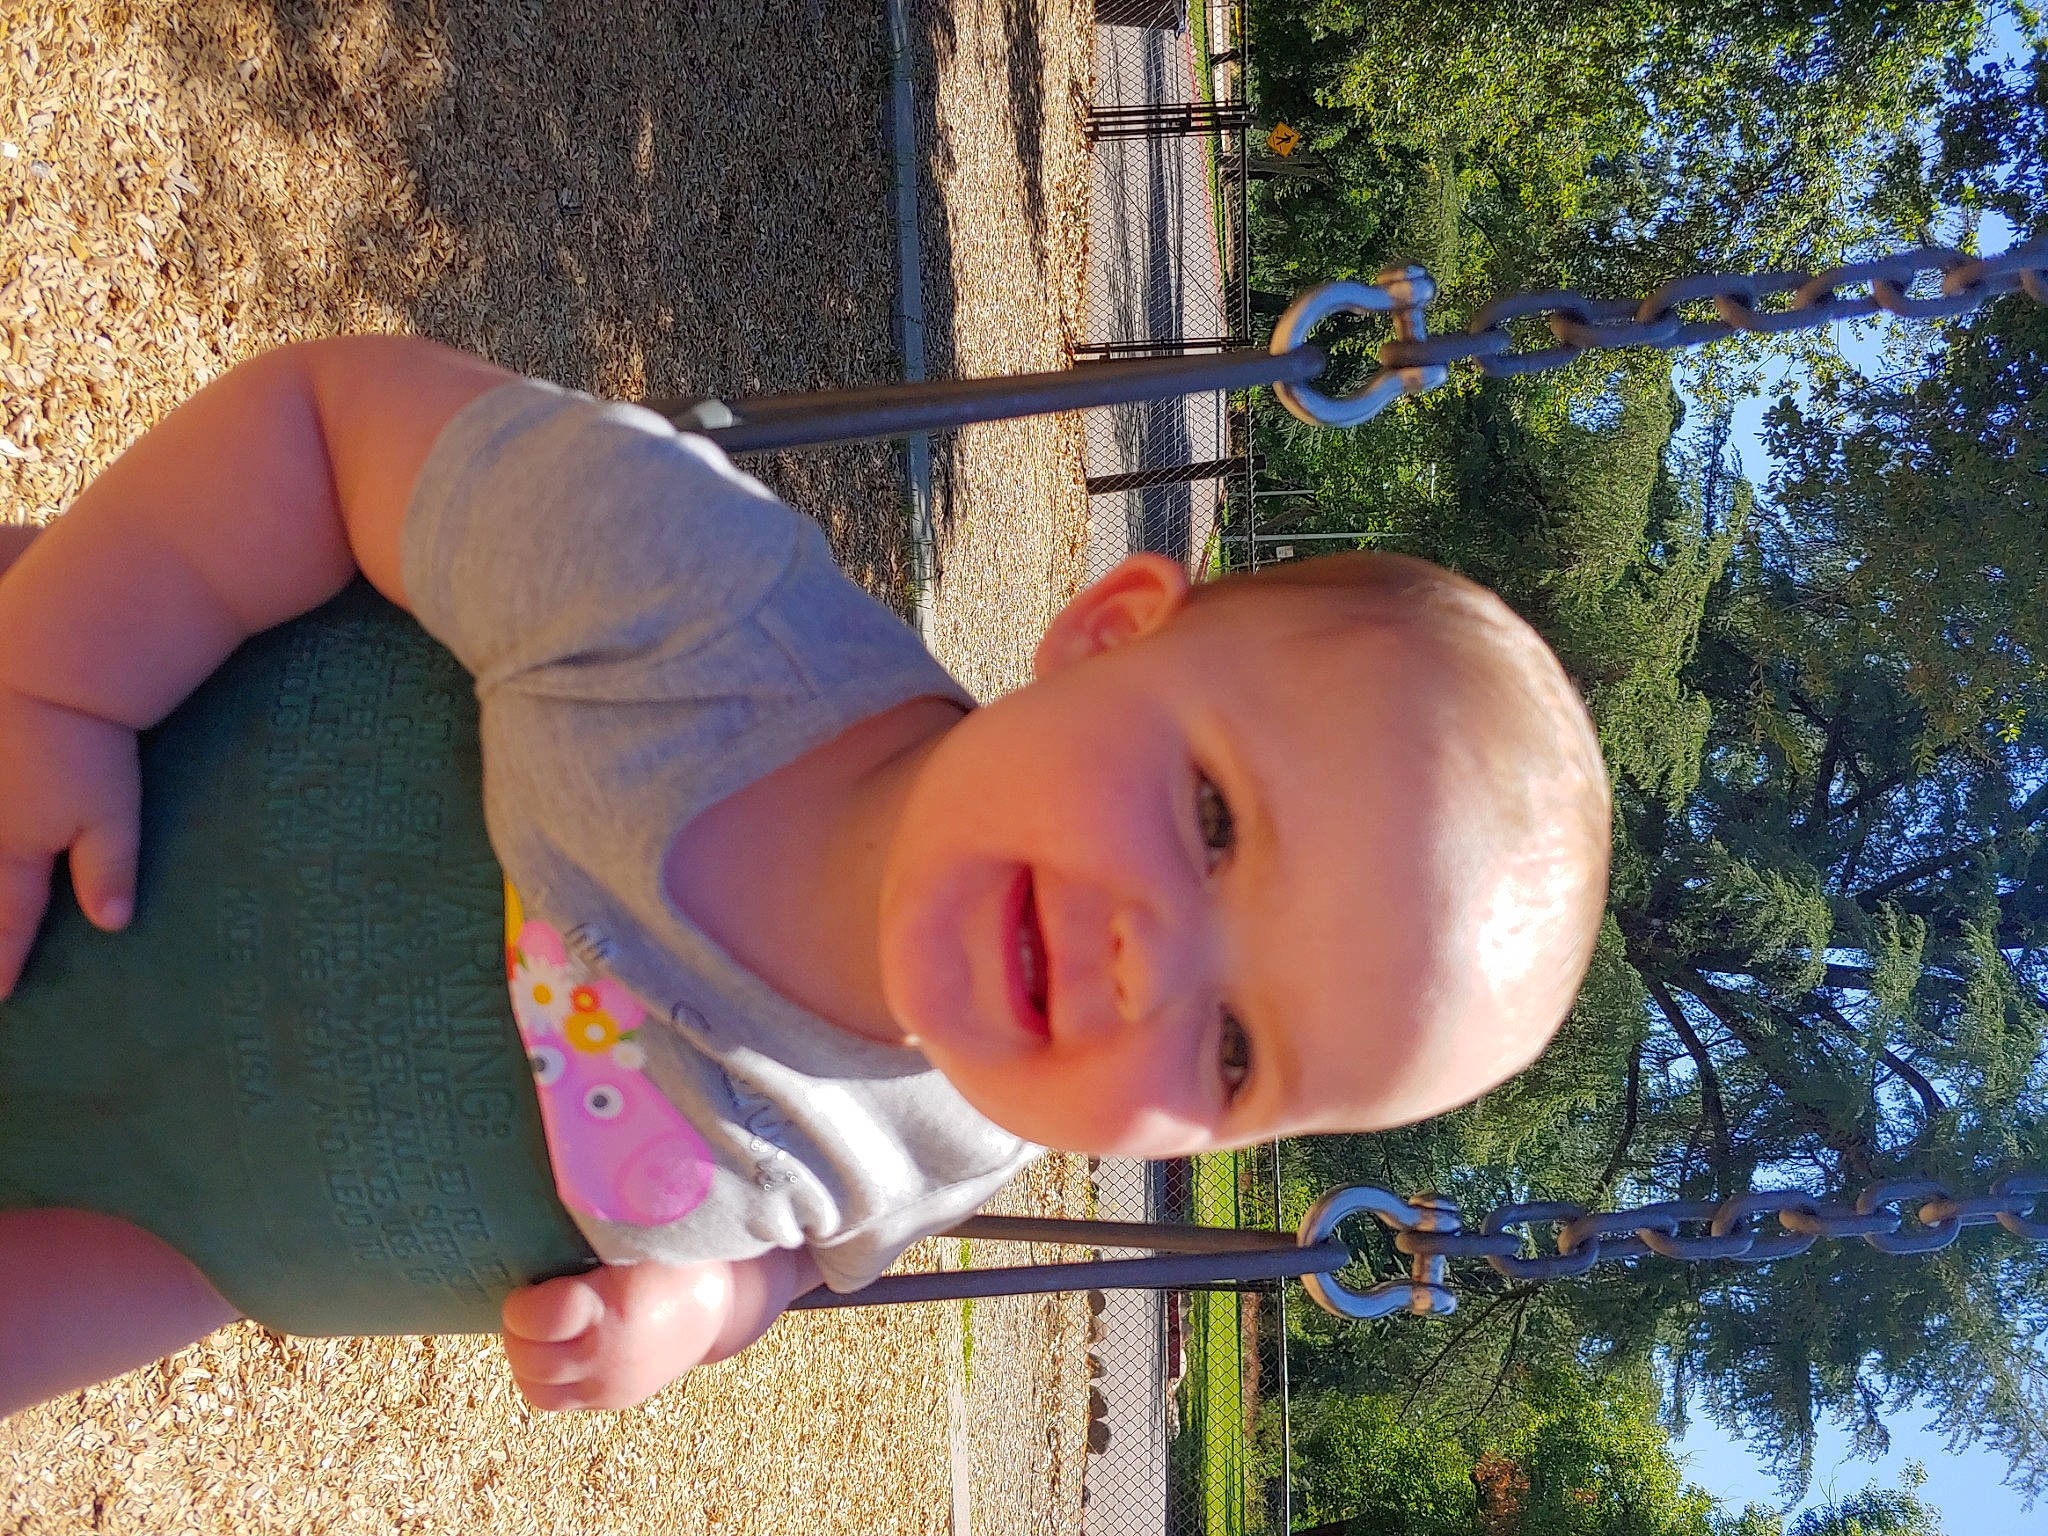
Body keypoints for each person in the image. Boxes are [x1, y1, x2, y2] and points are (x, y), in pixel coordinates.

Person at [0, 335, 1611, 1420]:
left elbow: (795, 1249)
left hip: (160, 1222)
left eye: (1239, 1049)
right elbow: (324, 424)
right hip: (85, 786)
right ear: (1108, 633)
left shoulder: (963, 1134)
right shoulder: (690, 600)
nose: (1149, 968)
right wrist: (59, 696)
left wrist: (692, 1315)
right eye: (1211, 821)